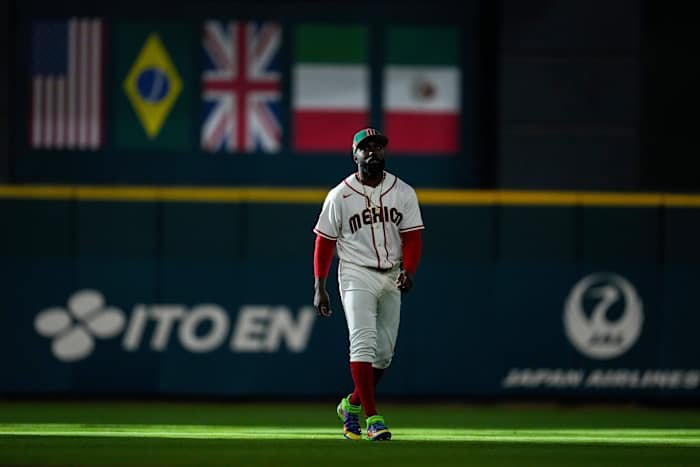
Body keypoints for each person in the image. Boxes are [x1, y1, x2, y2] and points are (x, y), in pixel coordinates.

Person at [312, 127, 424, 441]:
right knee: (363, 343)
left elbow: (413, 237)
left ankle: (351, 404)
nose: (373, 151)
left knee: (384, 354)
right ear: (355, 155)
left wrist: (409, 270)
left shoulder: (403, 191)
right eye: (366, 147)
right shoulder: (340, 195)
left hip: (391, 273)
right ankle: (373, 418)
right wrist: (320, 286)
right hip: (355, 272)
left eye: (379, 146)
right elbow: (324, 242)